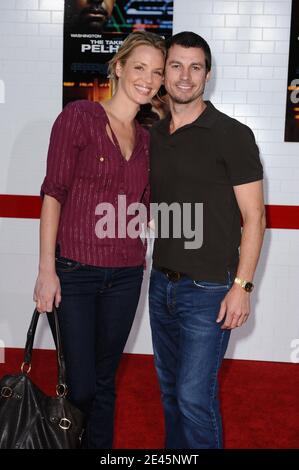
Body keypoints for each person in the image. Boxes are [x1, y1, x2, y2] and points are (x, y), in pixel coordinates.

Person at [33, 30, 165, 449]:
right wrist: (46, 270)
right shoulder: (79, 117)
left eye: (157, 72)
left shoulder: (147, 140)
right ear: (119, 67)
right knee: (82, 385)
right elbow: (54, 192)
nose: (148, 78)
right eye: (139, 67)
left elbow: (145, 207)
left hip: (126, 273)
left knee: (105, 382)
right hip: (74, 271)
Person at [149, 31, 266, 449]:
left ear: (207, 75)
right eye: (176, 66)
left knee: (194, 399)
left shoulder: (232, 134)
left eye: (195, 67)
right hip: (160, 284)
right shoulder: (155, 137)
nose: (185, 76)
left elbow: (255, 217)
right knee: (168, 395)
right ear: (165, 75)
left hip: (210, 290)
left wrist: (243, 286)